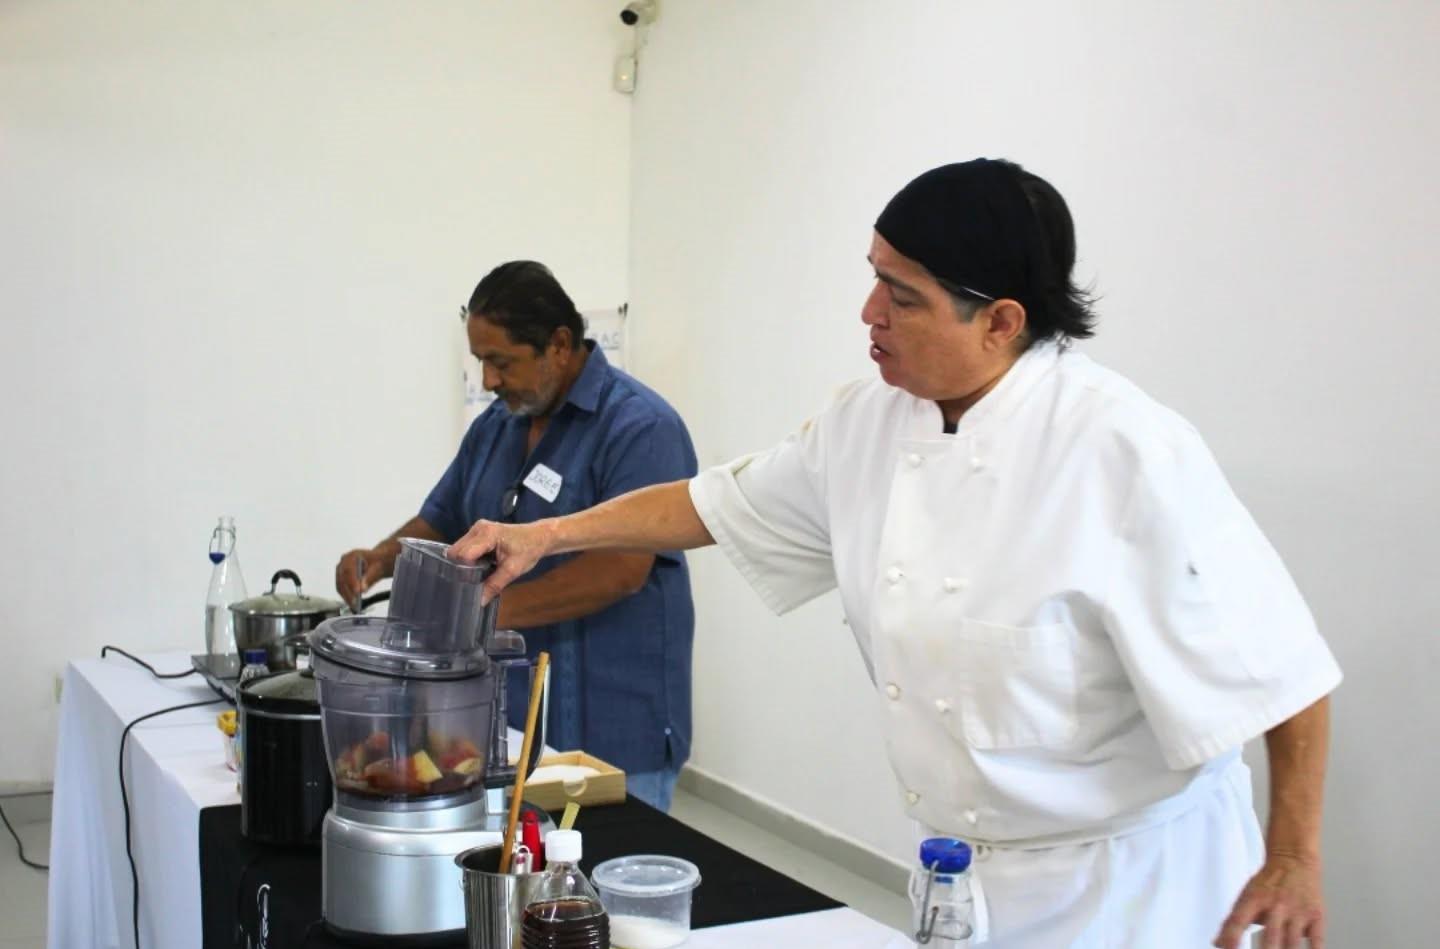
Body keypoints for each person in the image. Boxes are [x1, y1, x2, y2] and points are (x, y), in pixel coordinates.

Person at [449, 162, 1342, 947]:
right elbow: (709, 502)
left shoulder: (1125, 449)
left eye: (903, 296)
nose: (869, 313)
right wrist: (545, 535)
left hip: (1127, 891)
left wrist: (1295, 854)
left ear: (999, 320)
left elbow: (1283, 672)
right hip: (960, 877)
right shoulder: (870, 420)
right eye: (874, 279)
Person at [337, 260, 698, 812]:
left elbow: (621, 571)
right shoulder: (497, 426)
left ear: (558, 343)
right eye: (481, 362)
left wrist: (484, 615)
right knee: (520, 885)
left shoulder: (641, 428)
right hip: (505, 733)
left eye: (500, 362)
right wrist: (381, 557)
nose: (488, 381)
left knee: (603, 891)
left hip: (617, 731)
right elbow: (444, 514)